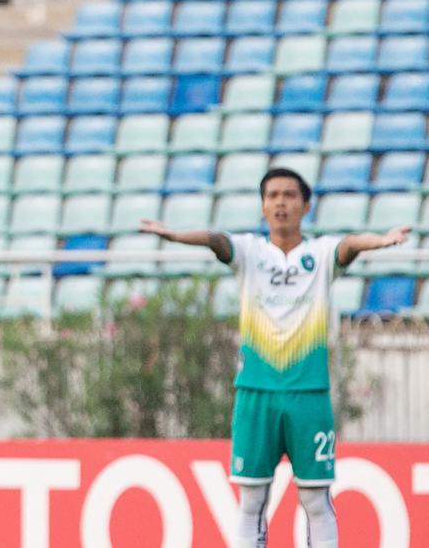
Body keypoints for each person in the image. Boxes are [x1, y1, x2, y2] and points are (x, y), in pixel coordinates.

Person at [141, 168, 410, 548]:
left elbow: (349, 244)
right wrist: (174, 235)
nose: (280, 202)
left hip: (308, 395)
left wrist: (380, 242)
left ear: (306, 205)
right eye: (272, 196)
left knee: (315, 499)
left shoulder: (319, 254)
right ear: (263, 206)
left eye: (289, 195)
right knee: (251, 500)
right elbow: (216, 241)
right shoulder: (250, 253)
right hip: (255, 393)